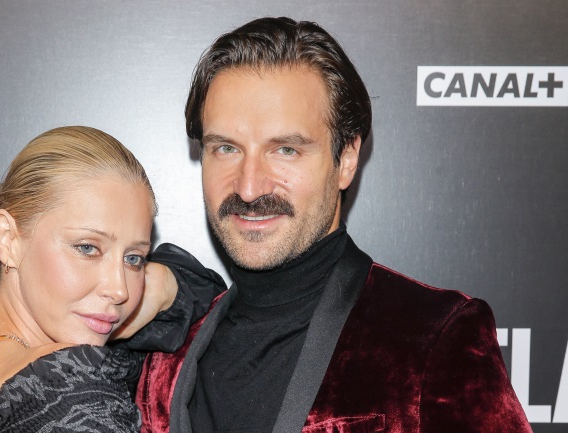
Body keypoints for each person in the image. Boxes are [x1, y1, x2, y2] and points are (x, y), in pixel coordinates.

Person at [134, 17, 533, 433]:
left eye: (286, 150)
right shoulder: (166, 355)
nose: (249, 188)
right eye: (226, 148)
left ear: (346, 160)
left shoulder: (432, 336)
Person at [0, 126, 224, 432]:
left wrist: (163, 285)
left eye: (134, 258)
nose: (119, 289)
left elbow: (213, 305)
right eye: (87, 248)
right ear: (7, 239)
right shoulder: (72, 392)